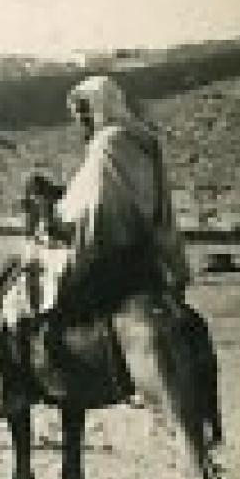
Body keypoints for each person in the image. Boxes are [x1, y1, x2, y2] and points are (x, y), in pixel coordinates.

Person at [42, 74, 192, 320]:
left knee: (59, 309)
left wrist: (57, 215)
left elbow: (95, 205)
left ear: (101, 107)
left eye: (85, 111)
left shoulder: (109, 142)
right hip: (149, 251)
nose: (81, 120)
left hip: (110, 252)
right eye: (78, 114)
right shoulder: (142, 138)